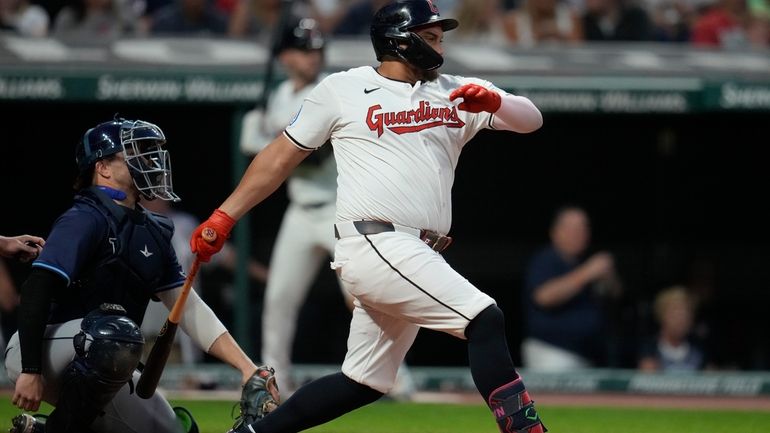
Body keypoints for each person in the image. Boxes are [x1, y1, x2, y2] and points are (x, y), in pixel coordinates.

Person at [190, 1, 547, 433]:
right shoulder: (342, 89)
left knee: (363, 381)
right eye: (429, 35)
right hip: (377, 241)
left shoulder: (455, 89)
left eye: (439, 36)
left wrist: (497, 101)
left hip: (416, 249)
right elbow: (278, 158)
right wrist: (224, 215)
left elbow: (532, 120)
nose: (439, 44)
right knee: (484, 318)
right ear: (398, 39)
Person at [5, 117, 271, 433]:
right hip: (44, 348)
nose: (150, 161)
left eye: (148, 152)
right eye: (135, 153)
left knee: (172, 430)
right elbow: (37, 288)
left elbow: (188, 309)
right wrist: (30, 370)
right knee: (118, 332)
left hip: (107, 355)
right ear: (102, 167)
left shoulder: (154, 229)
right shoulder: (84, 217)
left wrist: (247, 368)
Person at [240, 15, 415, 399]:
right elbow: (267, 154)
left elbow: (311, 155)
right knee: (279, 299)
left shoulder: (332, 91)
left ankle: (395, 376)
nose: (312, 58)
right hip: (300, 211)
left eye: (317, 50)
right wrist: (258, 131)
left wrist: (263, 139)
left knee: (363, 295)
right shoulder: (280, 96)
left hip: (340, 211)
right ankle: (275, 382)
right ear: (285, 56)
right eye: (304, 51)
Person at [140, 198, 268, 367]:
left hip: (175, 338)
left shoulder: (184, 224)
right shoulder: (131, 222)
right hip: (138, 330)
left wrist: (267, 277)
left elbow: (226, 256)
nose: (158, 197)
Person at [522, 205, 623, 371]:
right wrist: (587, 273)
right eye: (573, 228)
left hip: (588, 356)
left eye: (584, 227)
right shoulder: (546, 259)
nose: (580, 233)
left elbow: (617, 296)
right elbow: (543, 297)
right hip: (552, 352)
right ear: (555, 232)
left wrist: (609, 278)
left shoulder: (584, 261)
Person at [637, 285, 712, 372]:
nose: (681, 319)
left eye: (686, 313)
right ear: (662, 315)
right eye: (675, 312)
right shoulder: (649, 349)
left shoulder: (699, 350)